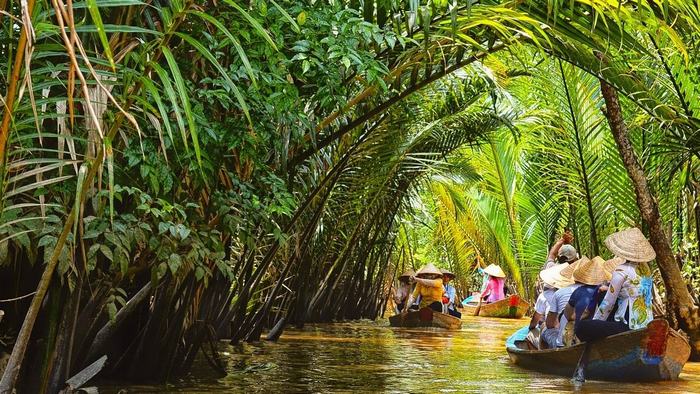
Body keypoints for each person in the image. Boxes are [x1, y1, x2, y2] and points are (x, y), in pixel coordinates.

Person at [576, 228, 656, 342]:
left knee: (582, 327)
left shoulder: (621, 270)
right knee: (603, 295)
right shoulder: (646, 271)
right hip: (646, 325)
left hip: (628, 327)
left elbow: (608, 302)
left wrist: (596, 323)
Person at [538, 260, 578, 348]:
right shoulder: (595, 291)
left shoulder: (559, 293)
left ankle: (541, 354)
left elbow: (549, 324)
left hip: (562, 344)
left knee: (544, 326)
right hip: (582, 341)